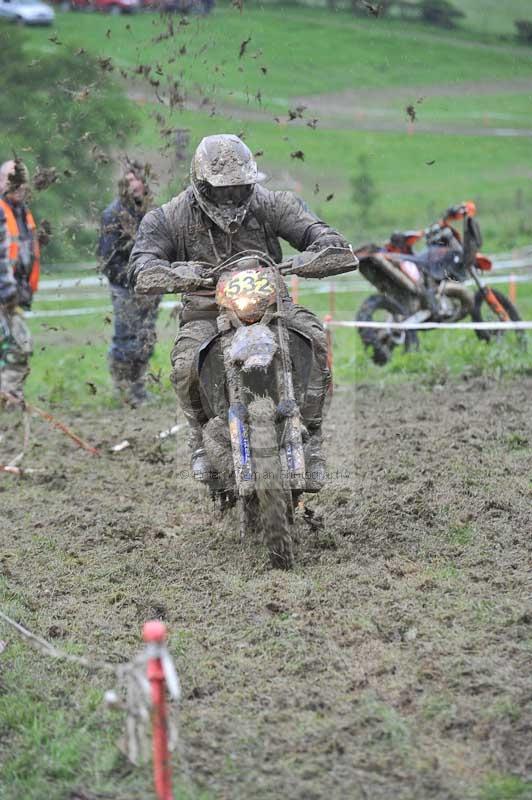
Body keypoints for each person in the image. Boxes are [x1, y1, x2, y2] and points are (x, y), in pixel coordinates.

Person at [129, 134, 350, 485]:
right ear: (202, 184)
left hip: (272, 308)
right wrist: (172, 272)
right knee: (185, 364)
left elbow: (315, 230)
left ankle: (314, 438)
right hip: (205, 311)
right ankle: (200, 438)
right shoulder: (170, 216)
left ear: (251, 182)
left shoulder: (271, 204)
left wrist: (322, 249)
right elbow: (142, 260)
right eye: (221, 190)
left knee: (314, 340)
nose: (230, 197)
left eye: (238, 188)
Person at [98, 161, 161, 406]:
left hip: (150, 288)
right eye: (129, 179)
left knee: (145, 339)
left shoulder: (151, 212)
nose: (133, 184)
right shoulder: (113, 214)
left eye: (137, 178)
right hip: (125, 287)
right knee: (126, 339)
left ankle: (138, 388)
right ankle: (123, 390)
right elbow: (107, 260)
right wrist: (134, 282)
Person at [0, 159, 40, 407]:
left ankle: (9, 399)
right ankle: (10, 399)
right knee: (17, 346)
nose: (16, 184)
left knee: (17, 347)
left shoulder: (22, 214)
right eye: (10, 178)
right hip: (4, 294)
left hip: (13, 297)